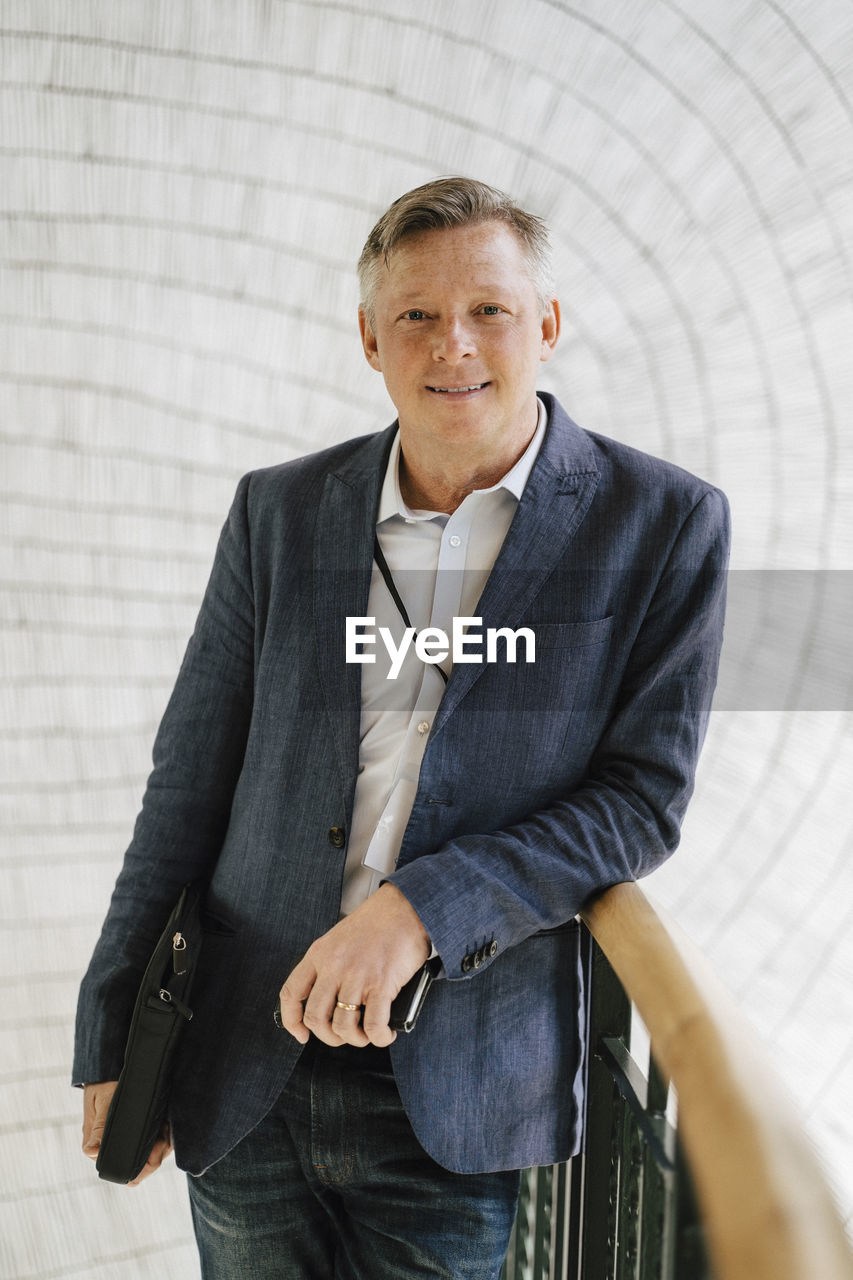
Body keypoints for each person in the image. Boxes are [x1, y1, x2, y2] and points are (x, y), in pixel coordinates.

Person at [74, 177, 730, 1278]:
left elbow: (639, 799)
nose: (453, 343)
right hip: (244, 1063)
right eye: (416, 315)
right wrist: (111, 1034)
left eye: (489, 310)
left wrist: (422, 908)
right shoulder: (277, 511)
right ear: (370, 338)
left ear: (547, 327)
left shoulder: (662, 521)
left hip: (463, 1087)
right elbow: (186, 780)